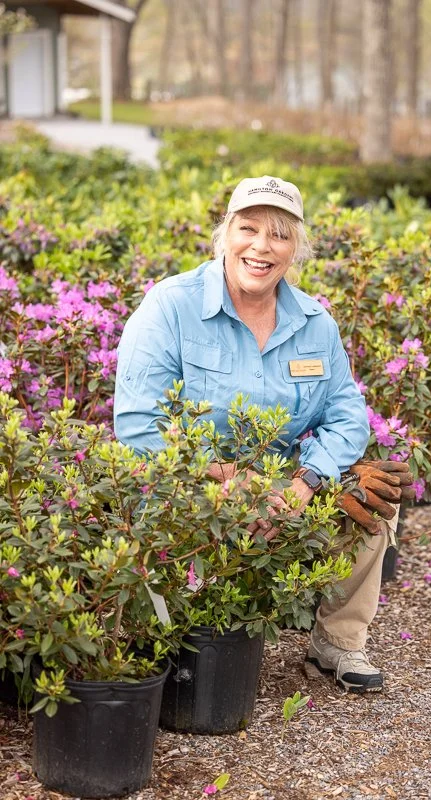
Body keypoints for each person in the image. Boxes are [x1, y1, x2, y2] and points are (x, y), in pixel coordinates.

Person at [114, 175, 407, 694]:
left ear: (296, 248)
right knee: (177, 619)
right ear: (225, 235)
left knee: (372, 491)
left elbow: (348, 417)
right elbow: (138, 429)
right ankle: (165, 630)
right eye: (248, 229)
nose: (261, 246)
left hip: (285, 490)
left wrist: (308, 481)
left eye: (279, 234)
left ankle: (336, 642)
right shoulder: (170, 307)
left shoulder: (315, 323)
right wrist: (233, 480)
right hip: (192, 490)